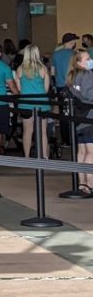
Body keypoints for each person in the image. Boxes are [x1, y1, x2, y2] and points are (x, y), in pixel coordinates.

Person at [14, 44, 51, 159]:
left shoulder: (20, 69)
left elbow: (19, 88)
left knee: (27, 132)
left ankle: (27, 156)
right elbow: (46, 88)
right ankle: (44, 156)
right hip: (42, 103)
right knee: (43, 132)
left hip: (26, 103)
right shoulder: (43, 69)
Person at [66, 49, 93, 194]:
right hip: (89, 115)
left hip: (78, 117)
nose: (90, 60)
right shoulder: (87, 75)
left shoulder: (73, 75)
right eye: (87, 58)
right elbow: (89, 95)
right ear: (78, 62)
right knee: (91, 151)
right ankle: (90, 183)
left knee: (81, 151)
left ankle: (82, 183)